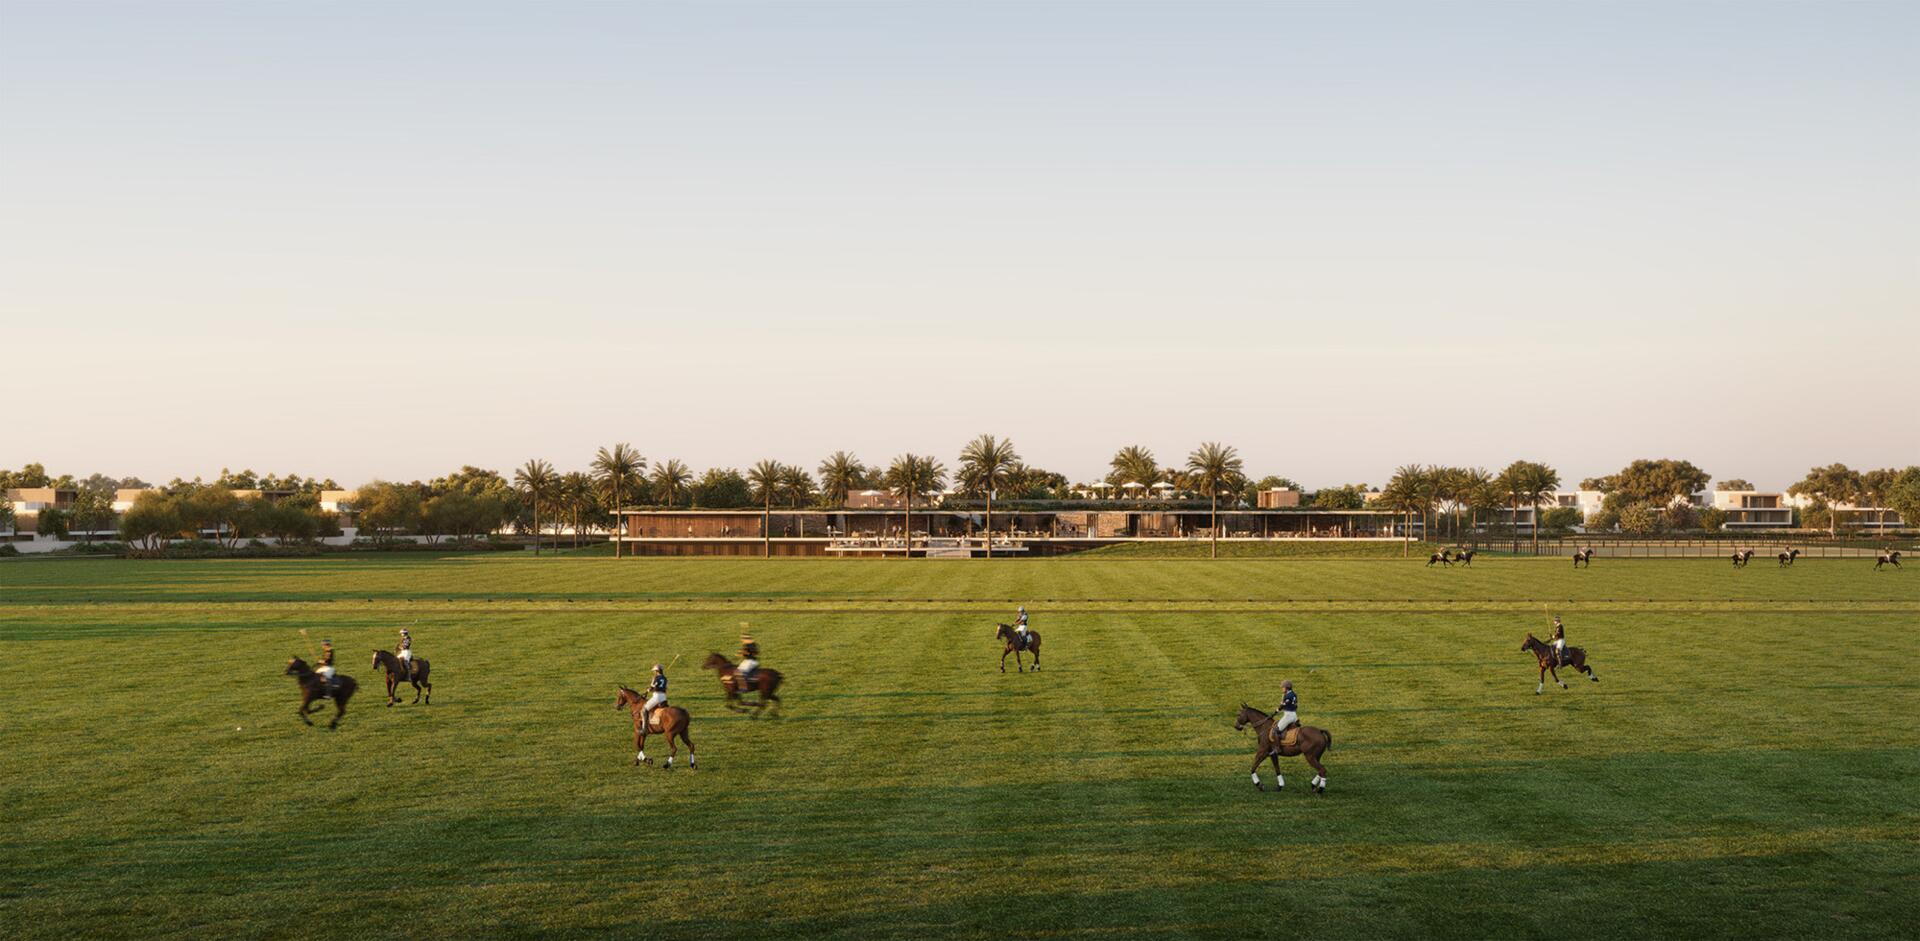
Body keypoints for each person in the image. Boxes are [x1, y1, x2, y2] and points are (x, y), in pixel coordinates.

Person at [642, 663, 668, 730]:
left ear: (657, 671)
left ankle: (644, 728)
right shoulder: (665, 678)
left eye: (654, 671)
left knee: (644, 710)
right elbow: (665, 688)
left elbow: (654, 688)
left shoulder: (656, 678)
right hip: (664, 697)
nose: (654, 672)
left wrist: (649, 690)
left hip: (657, 697)